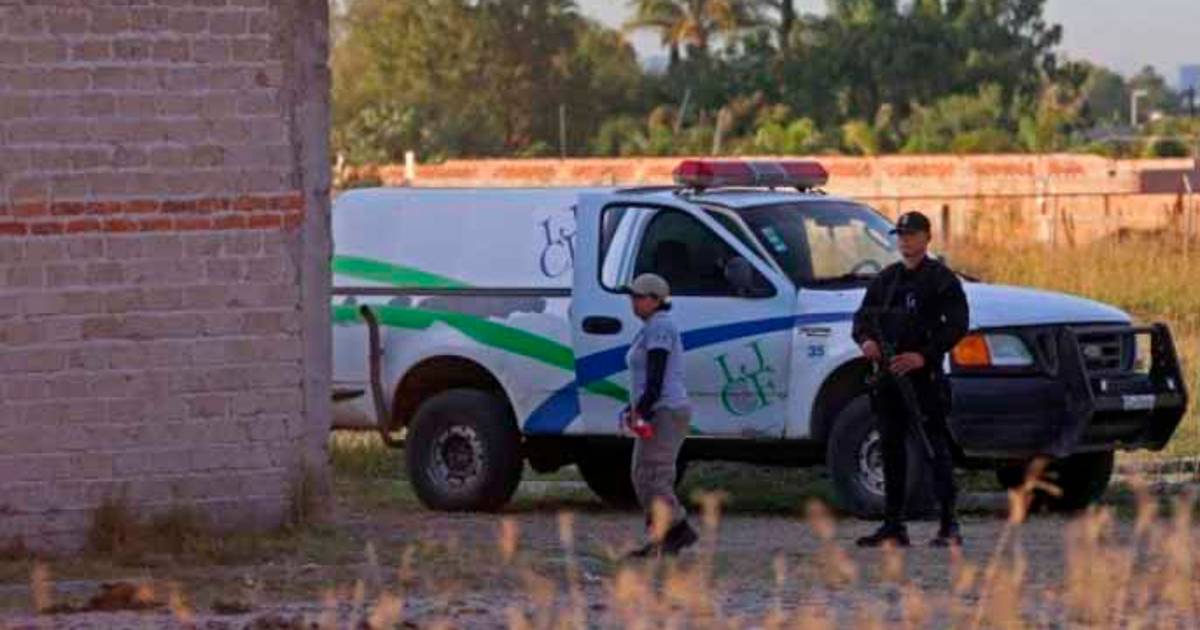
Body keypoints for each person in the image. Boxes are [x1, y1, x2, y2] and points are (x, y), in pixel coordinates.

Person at [851, 211, 969, 548]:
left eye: (912, 235)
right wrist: (867, 342)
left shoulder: (941, 280)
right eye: (901, 235)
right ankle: (893, 525)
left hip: (923, 378)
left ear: (927, 238)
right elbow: (862, 319)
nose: (906, 241)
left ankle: (948, 525)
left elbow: (956, 325)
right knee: (890, 447)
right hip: (889, 375)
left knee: (935, 448)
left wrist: (924, 356)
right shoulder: (887, 280)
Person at [623, 273, 699, 558]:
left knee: (654, 474)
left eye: (639, 297)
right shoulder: (651, 327)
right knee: (643, 474)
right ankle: (661, 534)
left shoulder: (660, 328)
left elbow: (656, 377)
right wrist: (634, 407)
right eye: (632, 296)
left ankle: (677, 530)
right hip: (657, 407)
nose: (633, 302)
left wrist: (641, 410)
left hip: (665, 409)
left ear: (656, 300)